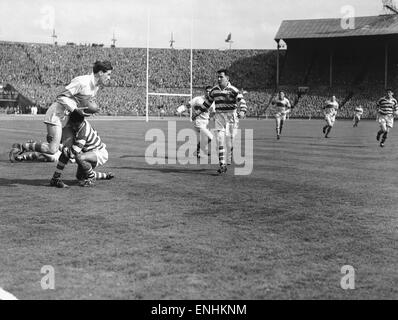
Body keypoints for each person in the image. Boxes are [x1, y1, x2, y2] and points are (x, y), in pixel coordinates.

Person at [10, 60, 113, 161]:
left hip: (68, 118)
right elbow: (61, 96)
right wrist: (75, 110)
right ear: (100, 73)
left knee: (69, 152)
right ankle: (22, 147)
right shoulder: (82, 81)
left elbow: (83, 105)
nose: (109, 78)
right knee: (52, 149)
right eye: (108, 74)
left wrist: (86, 111)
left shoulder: (96, 87)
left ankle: (35, 147)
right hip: (57, 114)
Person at [193, 69, 247, 174]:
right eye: (218, 77)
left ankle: (228, 155)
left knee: (230, 142)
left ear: (227, 78)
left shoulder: (233, 90)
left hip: (231, 116)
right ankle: (222, 164)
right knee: (219, 140)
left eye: (221, 77)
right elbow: (207, 103)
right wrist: (197, 112)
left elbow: (242, 101)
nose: (218, 79)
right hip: (219, 116)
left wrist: (243, 111)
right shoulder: (214, 90)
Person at [50, 111, 113, 188]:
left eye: (75, 125)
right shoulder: (76, 121)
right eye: (72, 124)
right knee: (80, 177)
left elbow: (73, 153)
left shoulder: (83, 133)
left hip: (98, 152)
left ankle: (91, 178)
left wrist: (59, 145)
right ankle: (55, 178)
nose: (73, 127)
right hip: (87, 151)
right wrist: (56, 139)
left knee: (77, 157)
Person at [176, 86, 215, 158]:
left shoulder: (212, 102)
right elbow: (187, 106)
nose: (208, 92)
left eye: (210, 91)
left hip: (205, 123)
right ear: (204, 91)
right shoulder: (198, 99)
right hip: (198, 122)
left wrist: (212, 117)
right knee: (210, 137)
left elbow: (213, 112)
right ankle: (202, 148)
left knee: (204, 139)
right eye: (207, 91)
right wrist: (179, 110)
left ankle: (197, 151)